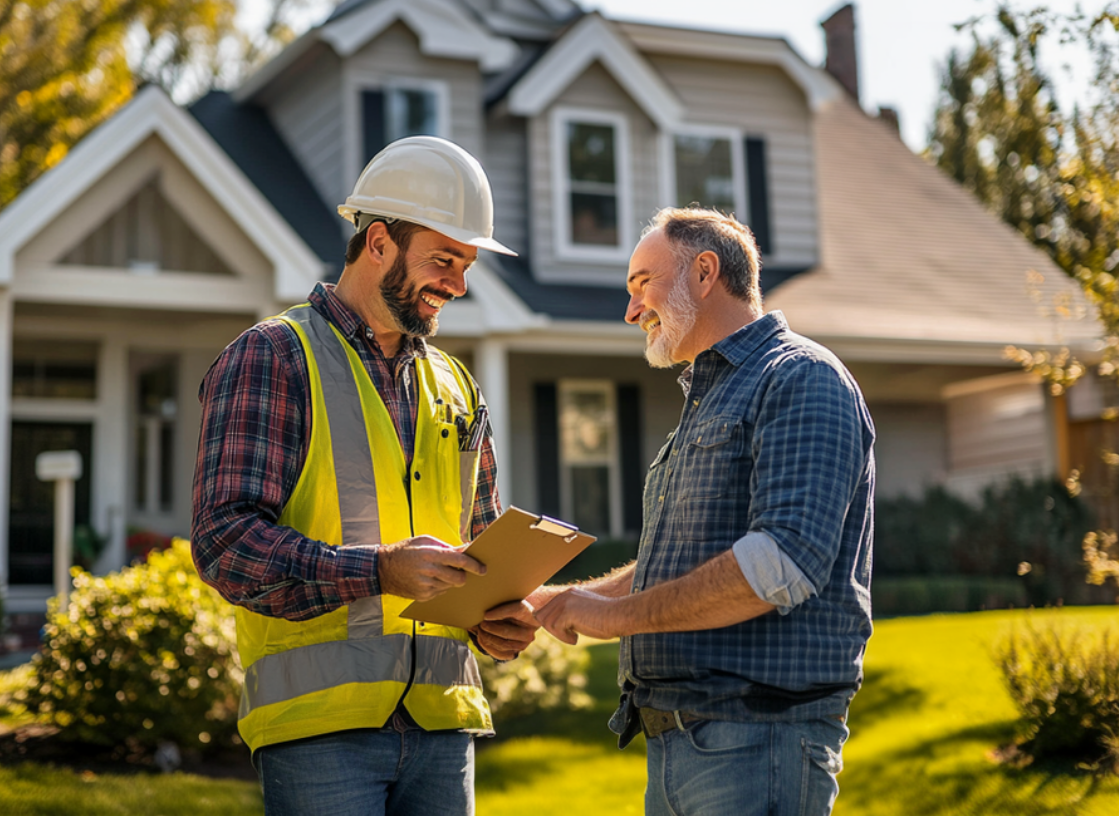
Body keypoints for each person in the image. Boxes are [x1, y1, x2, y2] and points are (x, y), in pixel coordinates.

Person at [192, 135, 538, 816]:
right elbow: (225, 544)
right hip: (320, 733)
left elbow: (481, 538)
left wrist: (497, 613)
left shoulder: (457, 384)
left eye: (467, 265)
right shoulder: (272, 357)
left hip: (444, 727)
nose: (459, 285)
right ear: (378, 242)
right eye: (444, 259)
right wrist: (379, 571)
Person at [494, 207, 875, 816]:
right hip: (684, 746)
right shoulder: (714, 398)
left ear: (704, 272)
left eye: (642, 283)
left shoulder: (801, 378)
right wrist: (551, 605)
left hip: (759, 741)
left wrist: (614, 619)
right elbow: (684, 564)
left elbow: (781, 562)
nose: (630, 310)